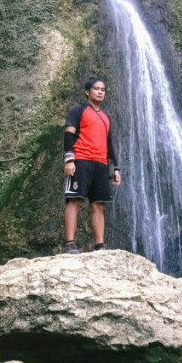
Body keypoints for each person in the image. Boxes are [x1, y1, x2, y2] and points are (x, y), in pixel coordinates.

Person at [62, 76, 121, 254]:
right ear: (87, 92)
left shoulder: (105, 117)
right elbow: (68, 134)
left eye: (103, 89)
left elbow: (109, 144)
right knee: (75, 199)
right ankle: (70, 243)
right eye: (96, 89)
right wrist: (69, 159)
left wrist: (116, 168)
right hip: (81, 160)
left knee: (99, 205)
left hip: (101, 165)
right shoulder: (78, 110)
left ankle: (100, 245)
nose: (100, 92)